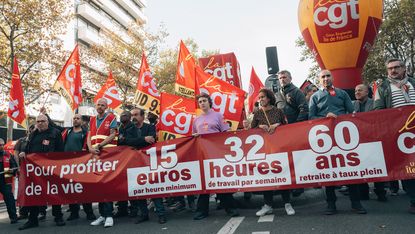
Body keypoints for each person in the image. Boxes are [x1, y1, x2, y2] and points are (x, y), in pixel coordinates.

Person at [309, 70, 366, 215]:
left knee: (350, 169)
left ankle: (356, 203)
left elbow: (351, 112)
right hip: (325, 139)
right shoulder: (315, 97)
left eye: (328, 76)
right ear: (319, 79)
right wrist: (325, 117)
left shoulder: (342, 93)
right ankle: (331, 204)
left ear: (332, 78)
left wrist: (339, 117)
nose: (326, 78)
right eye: (323, 76)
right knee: (328, 171)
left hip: (344, 137)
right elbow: (311, 117)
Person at [373, 58, 415, 214]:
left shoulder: (413, 83)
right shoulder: (382, 88)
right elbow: (378, 111)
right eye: (390, 68)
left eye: (397, 67)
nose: (393, 70)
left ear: (404, 68)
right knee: (407, 167)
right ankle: (414, 200)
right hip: (399, 133)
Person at [192, 93, 239, 220]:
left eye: (204, 101)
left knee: (220, 180)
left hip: (217, 153)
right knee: (204, 181)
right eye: (200, 101)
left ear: (209, 102)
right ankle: (202, 211)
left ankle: (230, 208)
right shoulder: (196, 120)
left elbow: (226, 133)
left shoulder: (218, 116)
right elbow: (194, 137)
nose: (202, 103)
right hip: (203, 154)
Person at [251, 88, 294, 216]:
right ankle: (267, 205)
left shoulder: (278, 111)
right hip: (264, 150)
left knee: (283, 174)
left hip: (279, 148)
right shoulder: (258, 114)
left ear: (269, 98)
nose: (261, 99)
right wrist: (260, 127)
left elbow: (287, 127)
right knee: (266, 177)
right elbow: (251, 130)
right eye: (259, 98)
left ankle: (287, 203)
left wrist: (277, 125)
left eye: (263, 97)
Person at [18, 114, 65, 230]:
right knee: (34, 193)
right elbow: (27, 148)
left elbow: (61, 151)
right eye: (38, 121)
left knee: (54, 192)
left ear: (47, 121)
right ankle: (32, 220)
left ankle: (58, 216)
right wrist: (24, 153)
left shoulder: (55, 133)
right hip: (35, 171)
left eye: (42, 121)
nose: (40, 123)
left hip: (51, 169)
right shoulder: (33, 133)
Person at [130, 108, 168, 224]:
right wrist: (143, 139)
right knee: (139, 188)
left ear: (142, 116)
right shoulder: (130, 129)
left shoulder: (150, 127)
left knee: (154, 187)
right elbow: (128, 142)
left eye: (136, 114)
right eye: (132, 115)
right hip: (136, 162)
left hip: (150, 161)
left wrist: (139, 141)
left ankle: (161, 214)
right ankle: (144, 214)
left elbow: (151, 140)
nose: (133, 117)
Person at [275, 70, 308, 198]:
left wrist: (297, 126)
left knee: (297, 158)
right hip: (283, 131)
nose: (282, 79)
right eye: (280, 78)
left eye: (284, 77)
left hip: (295, 129)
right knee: (286, 159)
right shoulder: (277, 94)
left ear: (290, 78)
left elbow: (304, 108)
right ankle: (289, 185)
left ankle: (299, 186)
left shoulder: (297, 92)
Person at [353, 84, 387, 201]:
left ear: (367, 92)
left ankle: (381, 192)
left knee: (377, 166)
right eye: (356, 90)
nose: (357, 92)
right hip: (358, 141)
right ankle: (364, 193)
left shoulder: (375, 104)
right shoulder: (352, 104)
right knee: (360, 166)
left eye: (360, 90)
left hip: (373, 139)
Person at [88, 98, 117, 228]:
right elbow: (89, 135)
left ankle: (109, 215)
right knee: (98, 185)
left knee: (107, 184)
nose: (100, 106)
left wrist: (100, 145)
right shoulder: (92, 119)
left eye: (102, 105)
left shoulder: (111, 117)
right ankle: (102, 215)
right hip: (95, 155)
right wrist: (90, 147)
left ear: (106, 107)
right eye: (98, 104)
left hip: (107, 154)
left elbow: (112, 135)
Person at [61, 114, 96, 221]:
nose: (75, 120)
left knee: (84, 189)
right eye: (74, 118)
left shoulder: (86, 133)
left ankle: (89, 212)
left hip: (81, 165)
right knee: (71, 190)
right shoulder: (67, 131)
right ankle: (74, 212)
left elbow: (88, 147)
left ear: (82, 121)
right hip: (68, 165)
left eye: (78, 118)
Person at [114, 110, 140, 218]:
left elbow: (138, 140)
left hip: (131, 159)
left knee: (131, 185)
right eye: (121, 115)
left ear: (129, 117)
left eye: (125, 115)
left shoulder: (133, 127)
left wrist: (126, 140)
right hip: (121, 159)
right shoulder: (120, 128)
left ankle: (134, 209)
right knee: (121, 185)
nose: (122, 116)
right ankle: (122, 209)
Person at [0, 138, 18, 224]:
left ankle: (13, 217)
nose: (2, 146)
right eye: (0, 145)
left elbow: (14, 165)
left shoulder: (8, 155)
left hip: (5, 180)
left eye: (3, 144)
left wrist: (12, 170)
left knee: (10, 200)